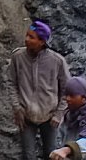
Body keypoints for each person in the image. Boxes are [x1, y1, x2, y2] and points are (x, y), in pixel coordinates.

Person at [10, 20, 70, 159]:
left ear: (42, 41)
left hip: (50, 117)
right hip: (26, 115)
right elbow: (11, 82)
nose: (26, 39)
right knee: (28, 154)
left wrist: (59, 114)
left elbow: (67, 89)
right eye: (27, 35)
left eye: (31, 37)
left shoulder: (57, 61)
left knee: (51, 153)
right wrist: (17, 108)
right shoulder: (17, 57)